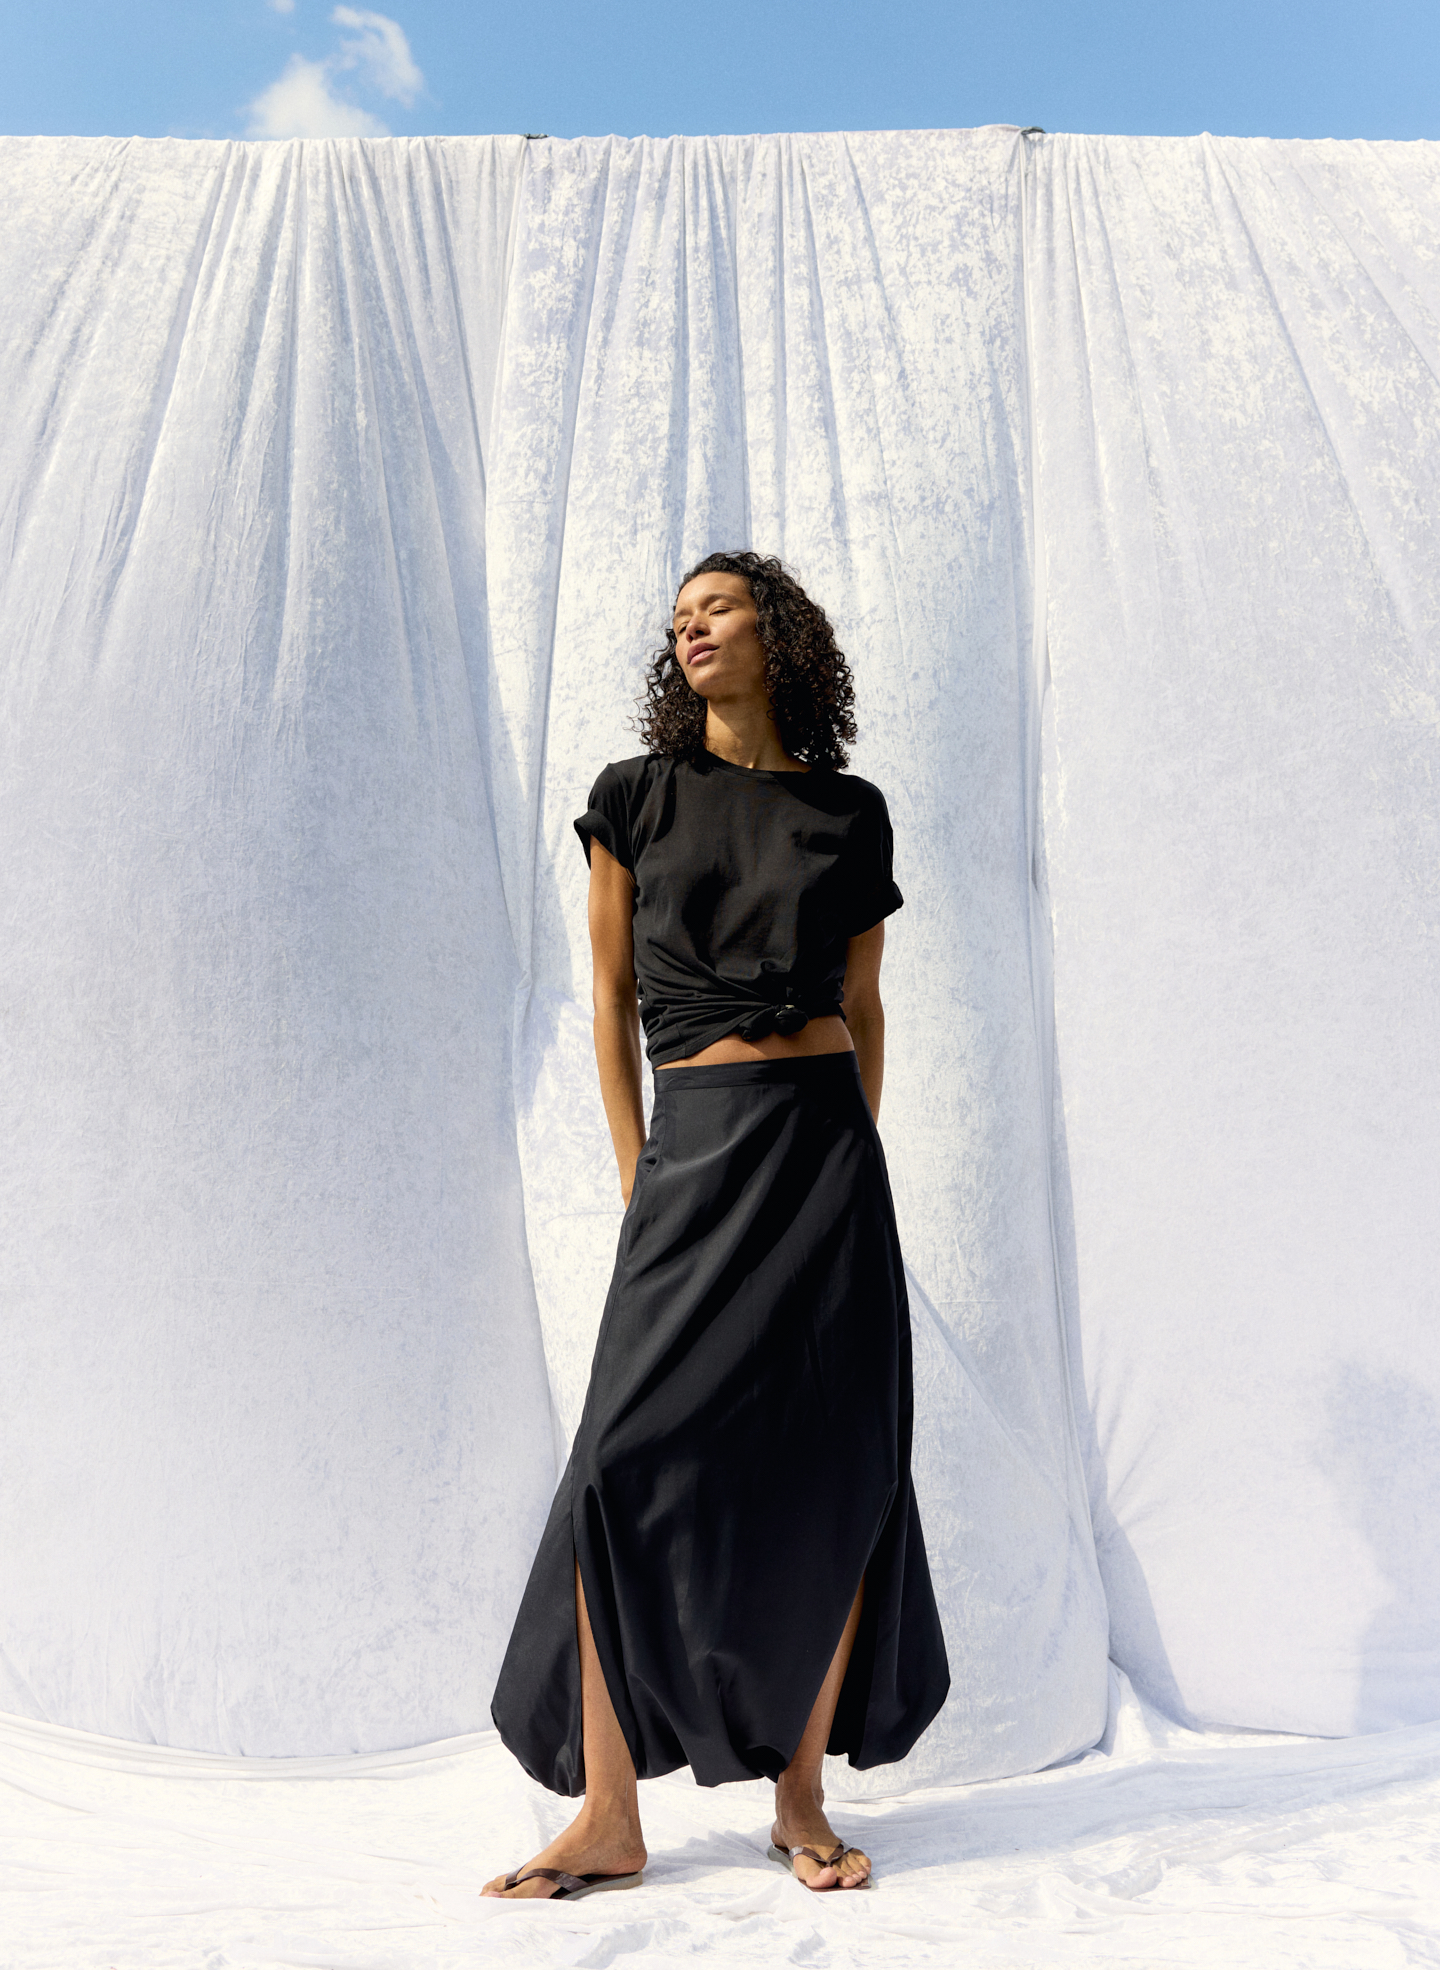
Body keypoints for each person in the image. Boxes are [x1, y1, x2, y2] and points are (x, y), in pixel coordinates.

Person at [485, 551, 949, 1901]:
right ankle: (610, 1812)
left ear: (779, 631)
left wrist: (846, 1152)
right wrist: (643, 1173)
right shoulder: (635, 799)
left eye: (718, 605)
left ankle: (803, 1793)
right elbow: (611, 999)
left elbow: (864, 1009)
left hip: (825, 1159)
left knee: (836, 1460)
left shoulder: (851, 813)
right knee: (619, 1464)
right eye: (677, 616)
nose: (690, 624)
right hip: (693, 1153)